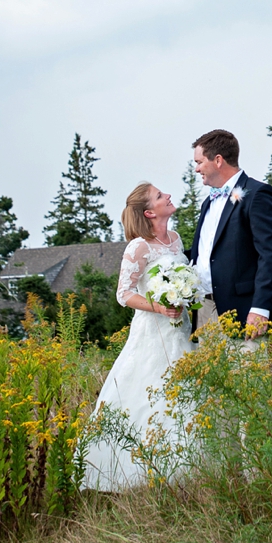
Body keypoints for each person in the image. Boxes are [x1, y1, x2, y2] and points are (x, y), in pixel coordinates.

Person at [83, 181, 194, 490]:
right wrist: (158, 307)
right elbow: (124, 294)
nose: (168, 196)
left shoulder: (175, 239)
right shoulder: (139, 246)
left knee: (187, 392)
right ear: (149, 212)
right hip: (153, 331)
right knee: (150, 394)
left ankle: (188, 470)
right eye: (160, 196)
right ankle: (144, 473)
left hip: (182, 329)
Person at [189, 129, 272, 345]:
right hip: (204, 311)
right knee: (209, 378)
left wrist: (261, 309)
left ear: (218, 160)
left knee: (247, 377)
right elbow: (204, 253)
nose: (196, 169)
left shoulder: (257, 194)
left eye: (199, 162)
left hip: (243, 312)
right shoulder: (208, 202)